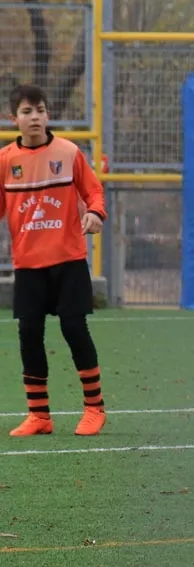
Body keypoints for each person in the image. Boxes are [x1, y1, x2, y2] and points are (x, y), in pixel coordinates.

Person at [0, 84, 108, 437]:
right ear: (13, 118)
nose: (35, 117)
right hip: (28, 264)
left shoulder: (69, 152)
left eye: (40, 110)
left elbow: (93, 191)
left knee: (74, 327)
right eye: (27, 112)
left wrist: (95, 213)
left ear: (48, 115)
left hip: (68, 260)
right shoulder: (5, 161)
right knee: (29, 333)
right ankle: (39, 416)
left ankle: (94, 408)